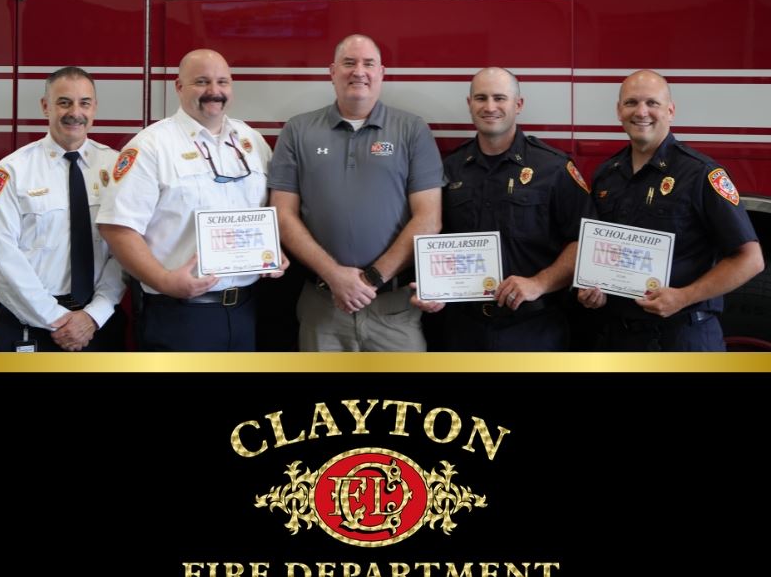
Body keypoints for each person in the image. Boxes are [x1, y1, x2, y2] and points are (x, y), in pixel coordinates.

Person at [97, 48, 287, 351]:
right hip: (179, 314)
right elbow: (117, 227)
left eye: (223, 82)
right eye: (202, 82)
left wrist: (273, 249)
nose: (214, 91)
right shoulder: (151, 146)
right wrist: (163, 280)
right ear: (178, 86)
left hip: (246, 310)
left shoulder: (252, 141)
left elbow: (270, 211)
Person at [268, 34, 443, 352]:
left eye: (368, 63)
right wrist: (335, 276)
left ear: (382, 73)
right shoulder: (298, 130)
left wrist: (371, 279)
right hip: (322, 307)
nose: (358, 71)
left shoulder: (412, 130)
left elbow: (429, 218)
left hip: (394, 309)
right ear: (332, 72)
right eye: (349, 63)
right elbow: (282, 215)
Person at [578, 69, 764, 350]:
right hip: (621, 338)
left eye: (652, 103)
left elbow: (751, 260)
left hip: (683, 336)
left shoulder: (701, 173)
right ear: (619, 111)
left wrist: (683, 296)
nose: (641, 112)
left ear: (671, 111)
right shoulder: (607, 175)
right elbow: (600, 254)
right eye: (631, 103)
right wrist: (592, 289)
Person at [413, 67, 595, 351]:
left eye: (500, 98)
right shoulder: (449, 169)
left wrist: (538, 283)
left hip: (534, 328)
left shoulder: (554, 168)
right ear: (469, 104)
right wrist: (432, 289)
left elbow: (584, 241)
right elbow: (434, 239)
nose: (490, 107)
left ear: (518, 105)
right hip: (463, 330)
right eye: (481, 98)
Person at [0, 67, 126, 352]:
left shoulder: (116, 167)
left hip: (99, 325)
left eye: (84, 102)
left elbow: (126, 248)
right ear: (45, 106)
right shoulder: (13, 171)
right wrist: (55, 318)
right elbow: (1, 259)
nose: (75, 112)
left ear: (94, 107)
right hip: (30, 323)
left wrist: (94, 314)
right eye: (64, 102)